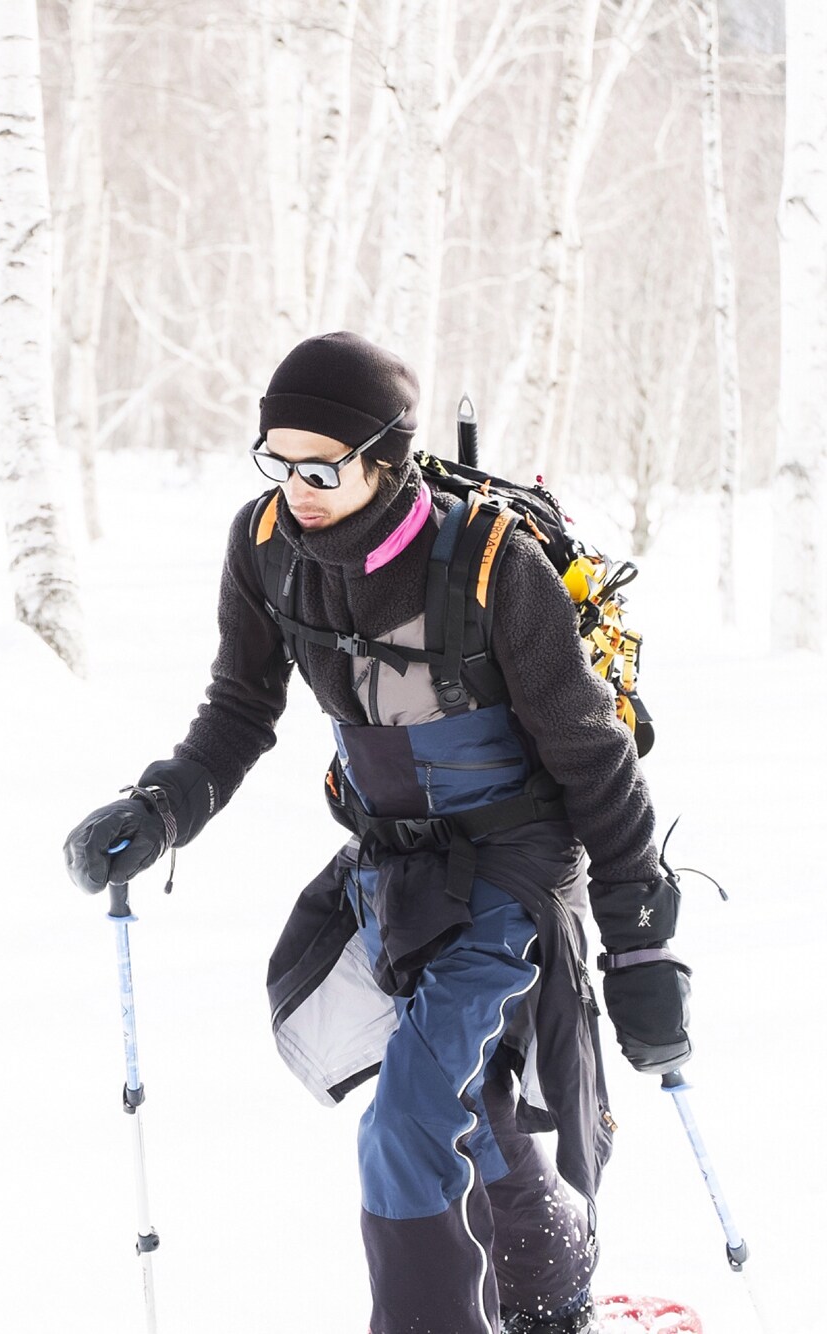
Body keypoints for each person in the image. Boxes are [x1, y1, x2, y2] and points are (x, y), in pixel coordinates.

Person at [64, 332, 692, 1334]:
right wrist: (162, 807)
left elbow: (592, 755)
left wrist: (641, 942)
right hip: (391, 865)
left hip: (515, 864)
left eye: (321, 466)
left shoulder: (493, 565)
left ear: (387, 460)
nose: (295, 487)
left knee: (404, 1118)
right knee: (462, 1089)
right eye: (276, 459)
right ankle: (543, 1270)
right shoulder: (266, 545)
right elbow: (239, 703)